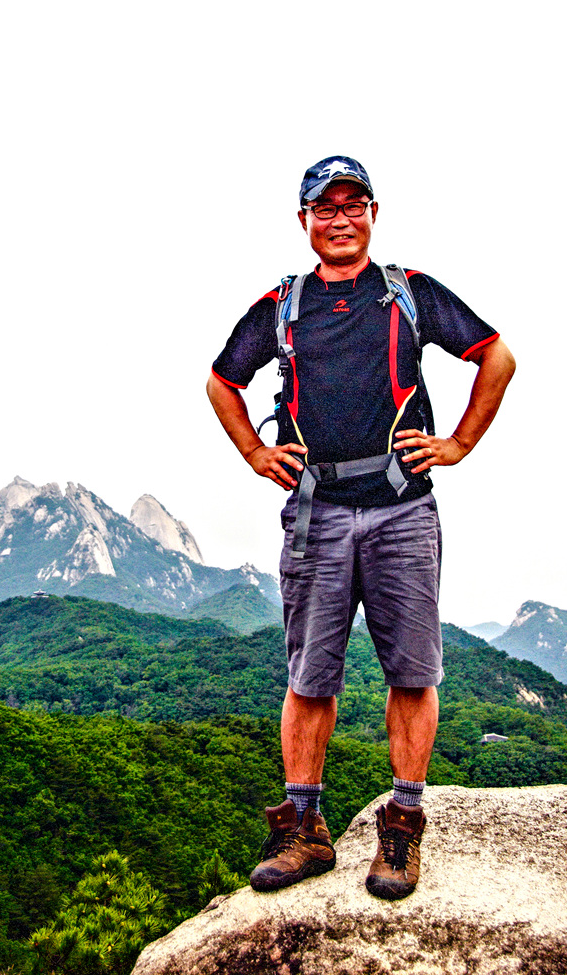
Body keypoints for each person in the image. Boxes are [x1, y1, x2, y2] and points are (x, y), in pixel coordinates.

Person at [206, 155, 515, 900]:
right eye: (325, 207)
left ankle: (402, 827)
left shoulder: (409, 292)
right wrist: (254, 452)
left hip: (402, 508)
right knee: (309, 676)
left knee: (412, 671)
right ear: (304, 219)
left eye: (353, 205)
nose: (339, 219)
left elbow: (496, 357)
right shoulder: (281, 306)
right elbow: (221, 380)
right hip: (317, 511)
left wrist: (458, 443)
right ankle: (304, 831)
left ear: (373, 213)